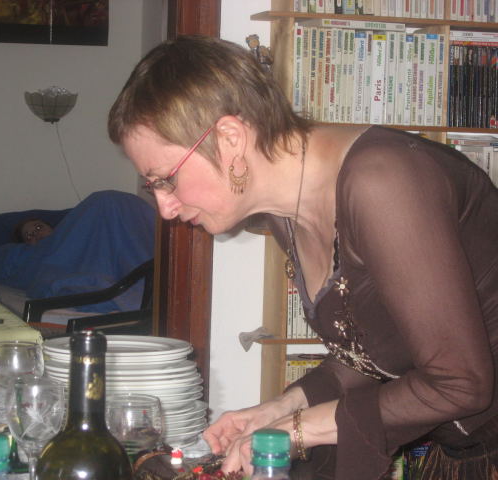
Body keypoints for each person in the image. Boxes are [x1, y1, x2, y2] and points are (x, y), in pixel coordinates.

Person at [107, 35, 498, 480]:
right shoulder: (285, 211)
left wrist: (298, 429)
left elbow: (461, 383)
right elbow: (374, 349)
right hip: (466, 448)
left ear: (230, 137)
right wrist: (281, 407)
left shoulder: (383, 185)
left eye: (166, 179)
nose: (165, 208)